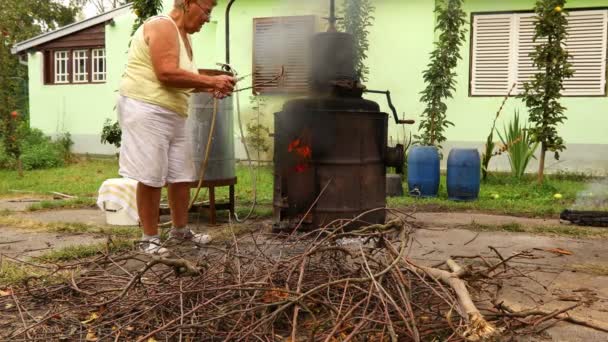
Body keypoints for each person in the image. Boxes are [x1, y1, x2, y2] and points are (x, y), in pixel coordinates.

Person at [117, 0, 235, 255]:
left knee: (181, 174)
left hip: (173, 112)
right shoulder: (162, 26)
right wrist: (210, 80)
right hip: (147, 108)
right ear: (188, 3)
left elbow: (181, 80)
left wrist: (210, 86)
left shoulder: (183, 37)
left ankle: (180, 231)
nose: (207, 18)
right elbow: (166, 74)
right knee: (151, 176)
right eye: (207, 11)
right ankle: (149, 238)